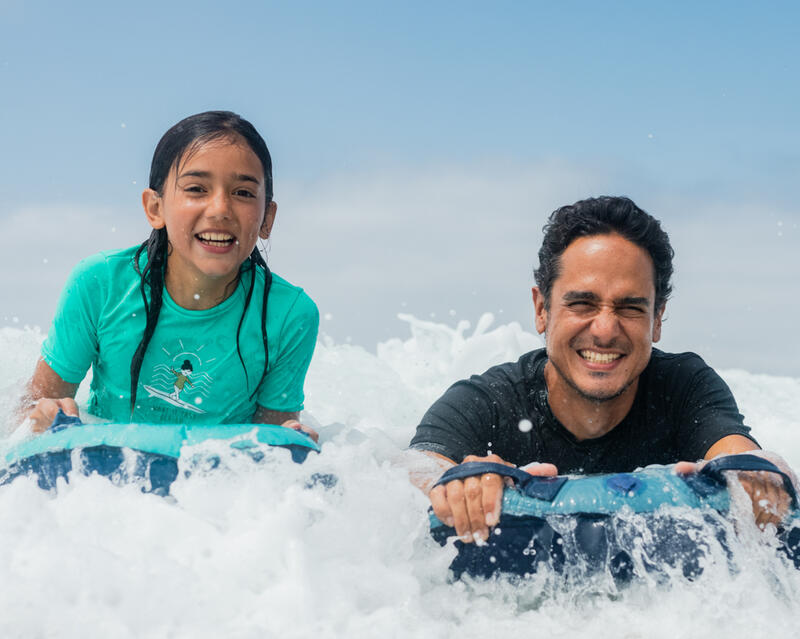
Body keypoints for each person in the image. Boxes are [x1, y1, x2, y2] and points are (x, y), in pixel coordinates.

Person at [410, 196, 796, 541]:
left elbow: (743, 457)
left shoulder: (683, 387)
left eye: (630, 307)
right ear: (541, 309)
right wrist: (456, 483)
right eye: (582, 304)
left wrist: (759, 475)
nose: (606, 330)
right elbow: (406, 472)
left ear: (657, 319)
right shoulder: (489, 401)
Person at [18, 111, 319, 437]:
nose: (220, 209)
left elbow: (271, 444)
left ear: (267, 218)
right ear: (155, 208)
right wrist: (42, 417)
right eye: (196, 189)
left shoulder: (288, 315)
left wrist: (291, 447)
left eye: (243, 193)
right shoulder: (101, 285)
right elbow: (27, 417)